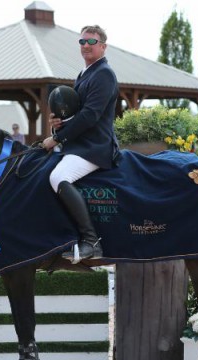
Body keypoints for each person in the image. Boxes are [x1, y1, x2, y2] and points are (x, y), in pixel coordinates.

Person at [41, 25, 119, 263]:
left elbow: (90, 116)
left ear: (103, 46)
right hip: (79, 144)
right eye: (82, 42)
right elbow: (76, 114)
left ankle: (91, 241)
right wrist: (58, 124)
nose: (86, 46)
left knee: (58, 178)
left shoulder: (104, 73)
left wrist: (56, 138)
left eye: (91, 42)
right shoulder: (85, 73)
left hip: (95, 147)